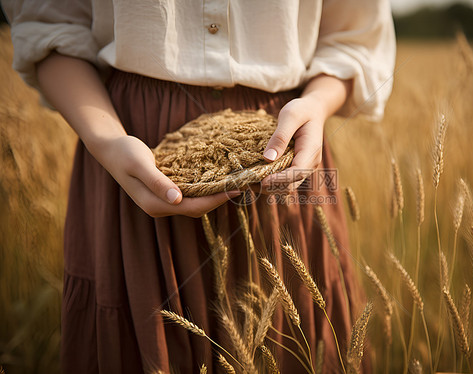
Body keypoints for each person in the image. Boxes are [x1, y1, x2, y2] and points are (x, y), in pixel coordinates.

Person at [3, 1, 395, 372]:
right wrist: (106, 140)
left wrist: (318, 104)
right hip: (132, 150)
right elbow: (50, 26)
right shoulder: (119, 146)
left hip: (284, 145)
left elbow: (352, 40)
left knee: (293, 336)